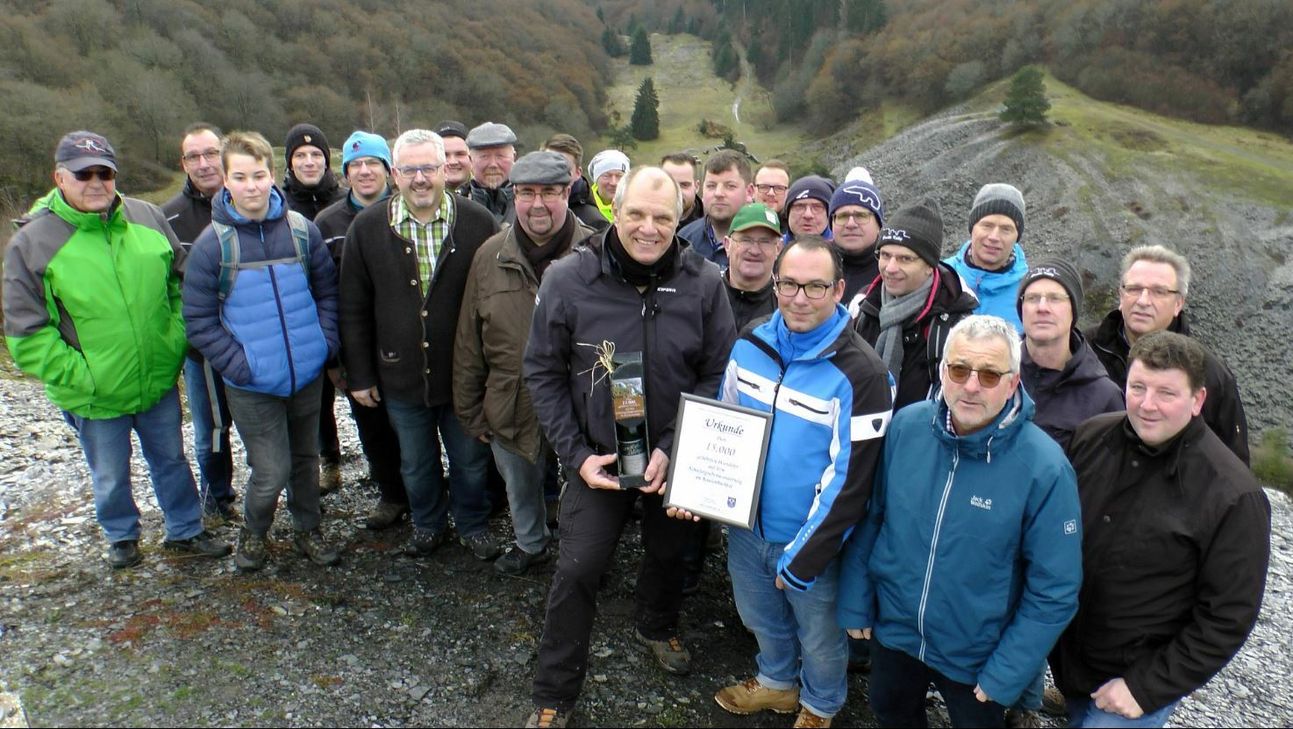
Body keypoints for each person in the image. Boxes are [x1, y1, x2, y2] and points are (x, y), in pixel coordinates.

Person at [522, 167, 737, 728]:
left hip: (673, 453)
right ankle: (554, 690)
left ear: (680, 218)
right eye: (636, 214)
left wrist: (675, 444)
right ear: (613, 209)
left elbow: (718, 373)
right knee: (578, 566)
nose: (648, 228)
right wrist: (576, 457)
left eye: (663, 217)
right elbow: (542, 371)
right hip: (599, 456)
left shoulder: (705, 282)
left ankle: (656, 623)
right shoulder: (568, 279)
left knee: (671, 553)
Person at [839, 315, 1082, 728]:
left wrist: (1007, 671)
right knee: (890, 713)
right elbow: (873, 517)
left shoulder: (1044, 468)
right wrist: (855, 599)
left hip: (978, 657)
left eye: (989, 375)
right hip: (896, 632)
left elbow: (1055, 588)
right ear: (942, 371)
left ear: (1012, 382)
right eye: (960, 369)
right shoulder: (907, 426)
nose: (971, 386)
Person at [690, 236, 893, 729]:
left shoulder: (863, 374)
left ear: (839, 289)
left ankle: (821, 705)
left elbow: (851, 481)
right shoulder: (750, 342)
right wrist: (700, 492)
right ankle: (778, 683)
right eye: (789, 284)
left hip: (811, 543)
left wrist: (805, 556)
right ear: (775, 284)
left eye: (815, 286)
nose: (800, 298)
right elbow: (724, 425)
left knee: (820, 635)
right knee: (760, 617)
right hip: (746, 528)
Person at [4, 131, 230, 569]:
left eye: (104, 173)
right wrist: (83, 375)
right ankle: (122, 536)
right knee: (109, 473)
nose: (95, 182)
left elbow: (183, 284)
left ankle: (185, 529)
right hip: (92, 392)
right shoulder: (31, 243)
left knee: (171, 459)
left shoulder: (146, 217)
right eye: (82, 173)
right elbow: (26, 333)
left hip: (157, 377)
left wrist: (174, 340)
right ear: (59, 177)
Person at [1055, 331, 1270, 728]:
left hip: (1138, 676)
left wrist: (1146, 688)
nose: (1147, 405)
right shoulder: (1091, 437)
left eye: (1166, 394)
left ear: (1198, 400)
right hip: (1070, 659)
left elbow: (1228, 615)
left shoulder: (1234, 495)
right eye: (1137, 387)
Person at [339, 129, 500, 560]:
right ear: (395, 175)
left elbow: (496, 302)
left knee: (469, 460)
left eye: (429, 168)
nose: (420, 178)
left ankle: (472, 524)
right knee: (416, 462)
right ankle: (428, 526)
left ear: (445, 170)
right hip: (400, 374)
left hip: (464, 375)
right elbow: (353, 307)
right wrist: (361, 374)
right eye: (409, 170)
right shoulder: (368, 228)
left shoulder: (478, 222)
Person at [183, 130, 341, 571]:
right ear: (226, 182)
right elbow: (198, 321)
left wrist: (322, 345)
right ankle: (254, 533)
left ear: (272, 176)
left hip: (305, 375)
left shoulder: (301, 232)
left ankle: (308, 528)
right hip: (252, 384)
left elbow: (327, 293)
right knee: (271, 469)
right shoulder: (213, 246)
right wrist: (240, 365)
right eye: (240, 176)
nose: (251, 186)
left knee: (306, 461)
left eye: (258, 175)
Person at [454, 151, 595, 575]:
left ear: (567, 192)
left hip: (581, 404)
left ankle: (581, 554)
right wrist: (470, 411)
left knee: (582, 487)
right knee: (520, 483)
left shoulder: (597, 250)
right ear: (513, 196)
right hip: (509, 400)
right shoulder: (489, 255)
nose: (538, 204)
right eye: (527, 192)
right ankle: (530, 544)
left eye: (550, 192)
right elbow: (468, 339)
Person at [314, 130, 410, 530]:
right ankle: (391, 494)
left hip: (405, 342)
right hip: (358, 346)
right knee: (372, 426)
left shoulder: (408, 212)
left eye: (373, 163)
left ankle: (426, 488)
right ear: (345, 173)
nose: (365, 171)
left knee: (416, 424)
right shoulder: (327, 222)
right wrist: (335, 358)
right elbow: (321, 292)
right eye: (356, 165)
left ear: (389, 170)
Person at [1086, 245, 1249, 463]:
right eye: (1134, 289)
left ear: (1178, 304)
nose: (1143, 301)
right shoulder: (1083, 350)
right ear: (1121, 295)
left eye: (1159, 292)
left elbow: (1232, 465)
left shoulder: (1209, 374)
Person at [162, 122, 238, 521]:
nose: (205, 163)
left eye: (211, 153)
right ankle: (218, 496)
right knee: (210, 428)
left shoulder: (249, 200)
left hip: (251, 339)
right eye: (195, 156)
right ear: (184, 163)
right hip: (201, 347)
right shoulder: (167, 218)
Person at [853, 198, 977, 410]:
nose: (890, 268)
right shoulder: (863, 305)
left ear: (930, 265)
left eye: (905, 259)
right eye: (885, 255)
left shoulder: (957, 324)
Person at [281, 122, 348, 492]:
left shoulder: (343, 200)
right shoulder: (279, 204)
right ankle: (328, 461)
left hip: (344, 308)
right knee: (315, 400)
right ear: (290, 163)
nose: (309, 162)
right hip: (302, 317)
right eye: (300, 156)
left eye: (316, 155)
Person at [1017, 259, 1123, 450]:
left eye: (1054, 298)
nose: (1042, 307)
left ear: (1073, 310)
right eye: (1032, 298)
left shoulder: (1103, 397)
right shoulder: (993, 373)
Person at [944, 183, 1029, 332]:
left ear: (1017, 236)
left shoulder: (1029, 292)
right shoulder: (941, 277)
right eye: (987, 225)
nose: (994, 237)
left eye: (1006, 229)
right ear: (972, 228)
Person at [678, 150, 754, 269]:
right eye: (711, 186)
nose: (718, 193)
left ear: (749, 192)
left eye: (730, 186)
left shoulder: (763, 244)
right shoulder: (684, 239)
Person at [827, 172, 885, 307]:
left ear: (879, 225)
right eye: (842, 216)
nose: (851, 224)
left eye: (861, 216)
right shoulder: (815, 262)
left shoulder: (892, 269)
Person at [721, 203, 783, 331]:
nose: (754, 250)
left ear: (778, 249)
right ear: (727, 245)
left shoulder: (785, 306)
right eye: (745, 240)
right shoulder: (706, 295)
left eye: (765, 241)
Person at [545, 133, 607, 231]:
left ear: (578, 173)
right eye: (548, 165)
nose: (553, 173)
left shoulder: (594, 222)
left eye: (562, 167)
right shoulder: (525, 206)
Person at [464, 121, 517, 222]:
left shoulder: (529, 203)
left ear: (514, 158)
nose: (493, 164)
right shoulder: (457, 206)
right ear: (470, 160)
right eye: (484, 157)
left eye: (500, 156)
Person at [586, 148, 630, 225]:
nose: (613, 182)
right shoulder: (584, 209)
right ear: (596, 180)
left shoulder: (638, 207)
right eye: (606, 176)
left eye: (619, 176)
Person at [784, 176, 834, 242]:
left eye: (817, 207)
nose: (808, 215)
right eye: (799, 207)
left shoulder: (844, 249)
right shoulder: (774, 248)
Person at [661, 152, 704, 228]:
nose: (677, 192)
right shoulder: (646, 223)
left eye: (684, 185)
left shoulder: (711, 226)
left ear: (696, 187)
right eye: (670, 184)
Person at [434, 120, 473, 194]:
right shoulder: (418, 196)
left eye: (460, 154)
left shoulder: (488, 193)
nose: (452, 162)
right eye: (444, 155)